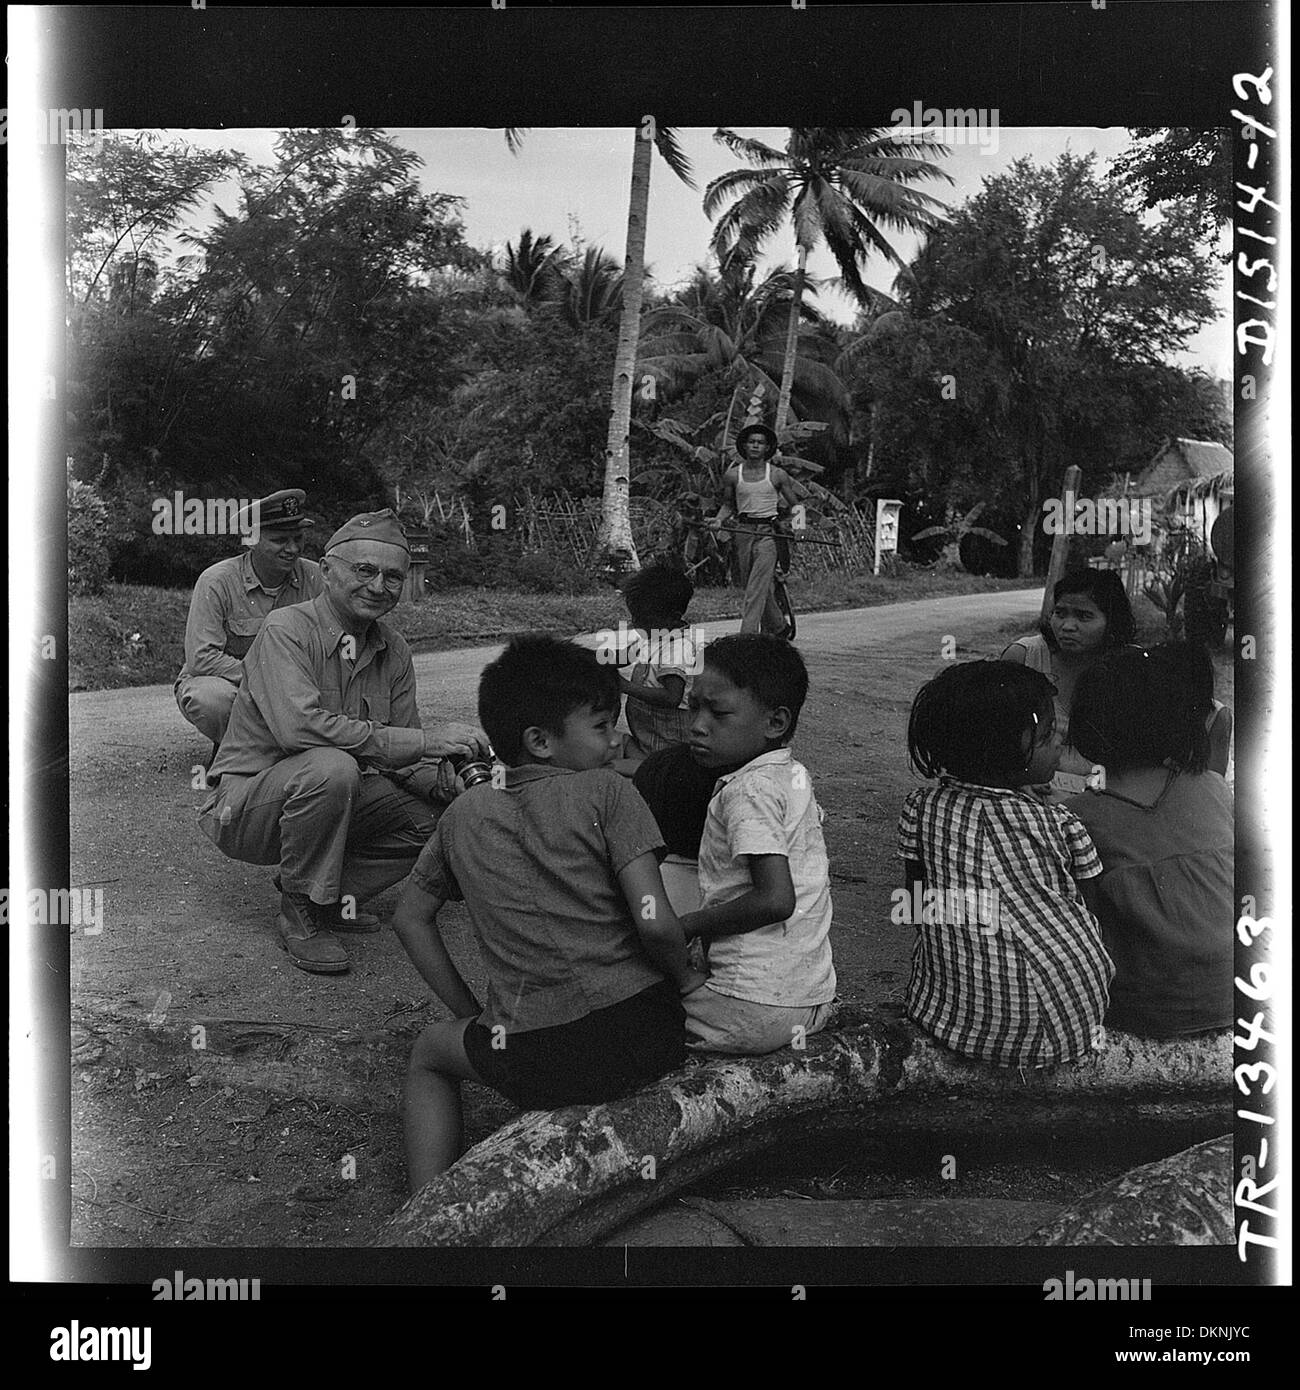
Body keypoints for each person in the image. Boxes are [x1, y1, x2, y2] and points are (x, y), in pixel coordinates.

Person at [393, 635, 705, 1187]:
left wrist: (473, 1016)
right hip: (648, 1032)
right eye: (602, 726)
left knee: (428, 1054)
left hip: (536, 1057)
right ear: (540, 741)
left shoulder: (462, 815)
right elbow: (655, 921)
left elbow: (409, 918)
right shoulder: (608, 792)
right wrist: (687, 983)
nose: (615, 742)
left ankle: (425, 1202)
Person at [199, 510, 489, 976]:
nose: (379, 586)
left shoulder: (393, 649)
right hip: (246, 807)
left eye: (393, 577)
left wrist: (449, 783)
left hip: (327, 796)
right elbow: (300, 731)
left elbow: (404, 757)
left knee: (439, 812)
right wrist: (425, 740)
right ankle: (301, 912)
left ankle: (332, 898)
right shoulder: (286, 629)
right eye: (365, 570)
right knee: (333, 767)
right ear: (327, 572)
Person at [898, 661, 1113, 1069]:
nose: (1061, 738)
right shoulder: (1061, 823)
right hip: (1075, 1014)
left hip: (973, 1024)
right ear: (1010, 750)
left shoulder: (921, 810)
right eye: (1048, 734)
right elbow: (1091, 912)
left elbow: (917, 907)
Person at [674, 634, 837, 1055]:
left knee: (630, 1000)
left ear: (775, 723)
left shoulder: (750, 790)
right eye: (693, 707)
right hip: (808, 999)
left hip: (750, 1007)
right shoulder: (791, 775)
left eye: (718, 713)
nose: (697, 725)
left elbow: (774, 900)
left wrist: (687, 926)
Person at [1064, 645, 1233, 1037]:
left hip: (1148, 1012)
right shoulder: (1212, 787)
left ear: (1087, 725)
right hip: (1238, 993)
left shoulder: (1075, 816)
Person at [174, 489, 324, 749]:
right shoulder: (216, 582)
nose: (292, 549)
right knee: (210, 698)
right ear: (251, 539)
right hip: (237, 684)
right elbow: (201, 658)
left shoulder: (316, 577)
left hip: (297, 688)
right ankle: (235, 750)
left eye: (297, 538)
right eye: (279, 540)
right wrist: (267, 681)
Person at [1001, 568, 1137, 796]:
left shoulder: (1132, 667)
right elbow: (998, 734)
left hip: (1107, 794)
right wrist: (1020, 781)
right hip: (1031, 793)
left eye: (1084, 616)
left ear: (1111, 621)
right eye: (1060, 613)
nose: (1067, 626)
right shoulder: (1024, 657)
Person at [710, 424, 800, 635]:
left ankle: (747, 636)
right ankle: (778, 627)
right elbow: (728, 505)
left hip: (769, 533)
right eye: (751, 442)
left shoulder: (777, 475)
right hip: (743, 532)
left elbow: (796, 507)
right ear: (744, 446)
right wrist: (718, 520)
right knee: (752, 583)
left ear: (767, 448)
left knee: (756, 586)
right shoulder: (733, 475)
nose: (755, 446)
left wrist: (800, 530)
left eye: (760, 443)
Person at [617, 563, 701, 759]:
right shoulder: (655, 634)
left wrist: (625, 686)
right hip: (649, 733)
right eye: (633, 617)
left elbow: (671, 697)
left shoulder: (678, 648)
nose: (634, 623)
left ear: (671, 618)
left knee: (647, 765)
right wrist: (595, 661)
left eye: (641, 618)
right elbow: (625, 655)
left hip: (668, 739)